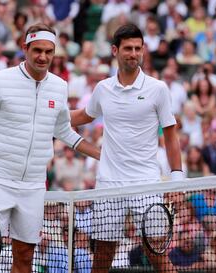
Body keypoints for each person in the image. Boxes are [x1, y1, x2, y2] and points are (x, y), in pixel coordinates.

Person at [0, 23, 100, 273]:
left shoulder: (60, 86)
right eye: (37, 50)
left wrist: (102, 155)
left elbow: (63, 129)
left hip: (34, 185)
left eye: (48, 51)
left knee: (25, 257)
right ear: (25, 48)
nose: (42, 56)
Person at [70, 23, 183, 273]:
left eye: (138, 48)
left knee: (156, 253)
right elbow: (82, 116)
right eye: (128, 48)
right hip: (109, 182)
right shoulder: (103, 89)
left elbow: (171, 135)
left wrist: (178, 180)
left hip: (147, 182)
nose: (133, 53)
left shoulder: (158, 89)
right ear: (114, 50)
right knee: (103, 254)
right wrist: (46, 115)